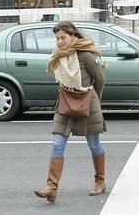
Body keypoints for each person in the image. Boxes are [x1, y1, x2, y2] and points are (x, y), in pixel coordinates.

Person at [35, 21, 106, 203]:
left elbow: (99, 78)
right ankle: (52, 187)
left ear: (73, 36)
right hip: (65, 103)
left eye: (63, 37)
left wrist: (94, 99)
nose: (60, 42)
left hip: (87, 103)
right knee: (58, 144)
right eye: (57, 38)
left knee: (94, 144)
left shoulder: (86, 55)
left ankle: (100, 181)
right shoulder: (57, 55)